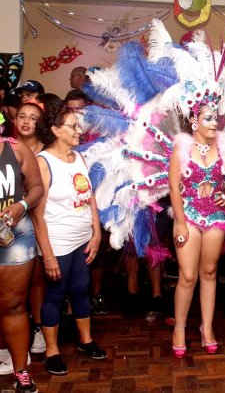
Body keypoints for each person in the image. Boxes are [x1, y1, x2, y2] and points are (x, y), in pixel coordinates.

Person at [169, 92, 225, 359]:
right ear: (194, 121)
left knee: (210, 272)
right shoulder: (181, 149)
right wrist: (181, 223)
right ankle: (179, 329)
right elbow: (174, 188)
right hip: (188, 215)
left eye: (216, 118)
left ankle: (207, 328)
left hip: (215, 216)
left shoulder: (224, 147)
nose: (214, 123)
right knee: (187, 276)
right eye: (208, 118)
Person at [32, 97, 107, 376]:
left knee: (80, 289)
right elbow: (37, 215)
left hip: (82, 239)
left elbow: (89, 197)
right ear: (55, 130)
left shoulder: (79, 157)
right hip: (58, 243)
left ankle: (86, 341)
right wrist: (48, 255)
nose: (79, 130)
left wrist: (96, 232)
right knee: (55, 294)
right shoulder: (44, 162)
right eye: (73, 126)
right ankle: (51, 352)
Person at [0, 111, 44, 392]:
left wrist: (22, 206)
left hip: (13, 234)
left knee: (13, 305)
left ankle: (21, 372)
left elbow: (37, 187)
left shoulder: (15, 149)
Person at [13, 102, 47, 356]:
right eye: (22, 116)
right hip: (13, 224)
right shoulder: (7, 147)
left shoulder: (47, 152)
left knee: (37, 277)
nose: (26, 121)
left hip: (40, 219)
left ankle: (38, 327)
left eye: (33, 118)